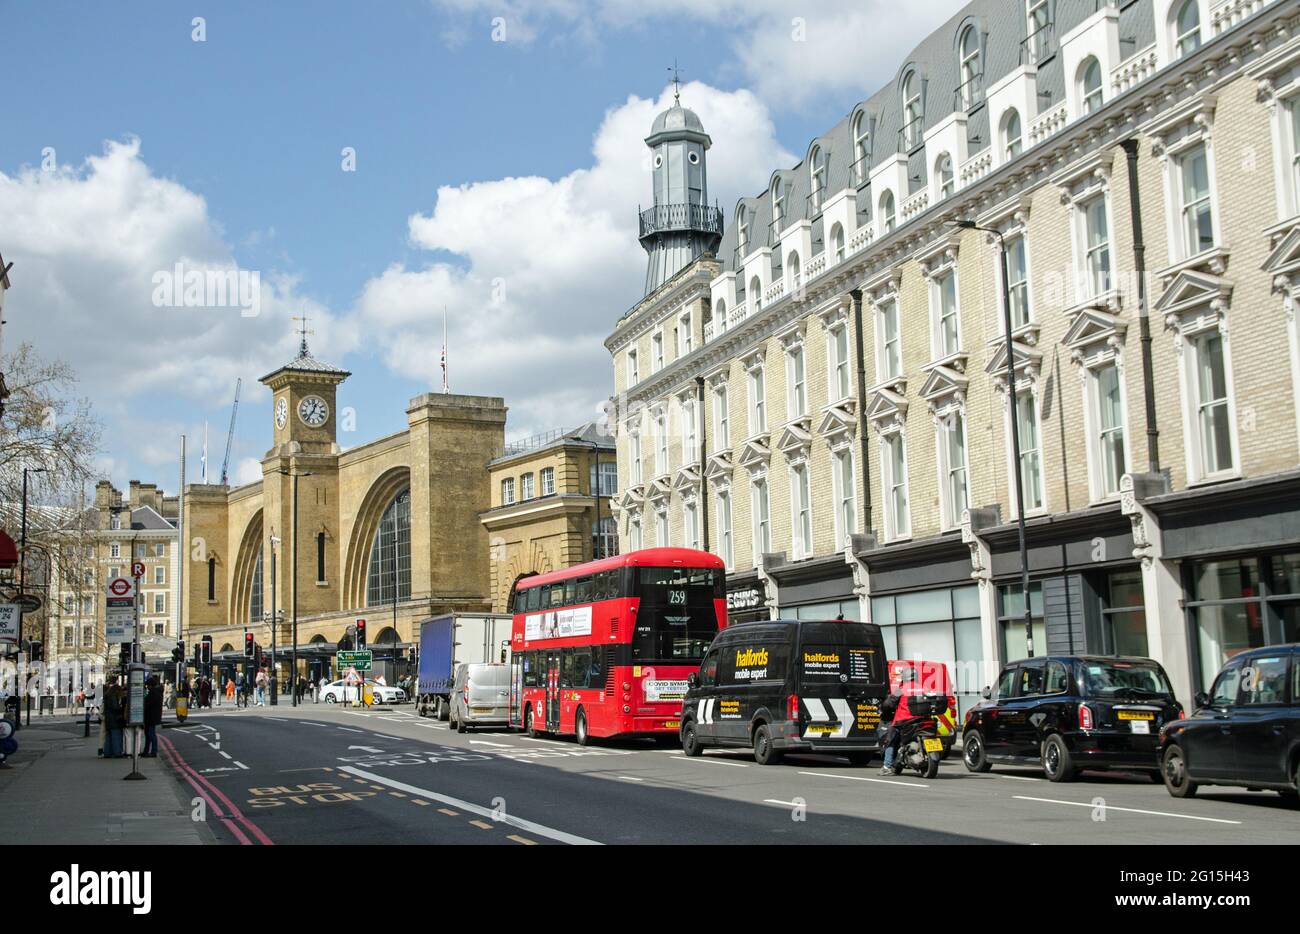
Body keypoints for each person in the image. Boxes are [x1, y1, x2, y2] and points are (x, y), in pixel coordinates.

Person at [878, 667, 917, 775]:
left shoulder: (902, 688)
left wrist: (883, 707)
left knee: (890, 739)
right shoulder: (923, 687)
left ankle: (887, 766)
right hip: (921, 720)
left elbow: (889, 703)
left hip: (904, 720)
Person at [103, 676, 126, 759]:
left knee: (109, 737)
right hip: (114, 720)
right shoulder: (113, 697)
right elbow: (115, 707)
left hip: (109, 719)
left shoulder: (108, 695)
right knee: (116, 736)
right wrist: (121, 708)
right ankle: (117, 753)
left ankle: (107, 753)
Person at [142, 676, 163, 757]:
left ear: (151, 685)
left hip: (151, 717)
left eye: (148, 685)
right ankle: (146, 751)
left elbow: (148, 705)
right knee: (148, 735)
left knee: (151, 735)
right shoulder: (156, 692)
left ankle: (154, 751)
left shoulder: (153, 693)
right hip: (152, 717)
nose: (147, 687)